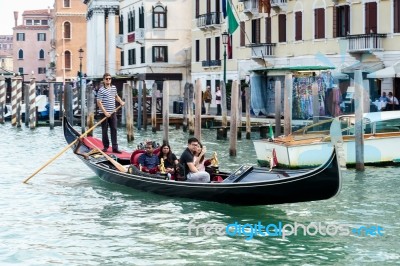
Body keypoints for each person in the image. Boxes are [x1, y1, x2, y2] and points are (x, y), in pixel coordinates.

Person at [97, 73, 125, 153]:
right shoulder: (101, 90)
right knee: (104, 130)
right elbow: (99, 102)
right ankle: (105, 147)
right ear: (103, 80)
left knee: (114, 129)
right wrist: (105, 112)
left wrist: (121, 102)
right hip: (104, 113)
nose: (108, 80)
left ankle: (115, 148)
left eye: (109, 78)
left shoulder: (114, 88)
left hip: (113, 112)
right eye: (106, 79)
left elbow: (116, 96)